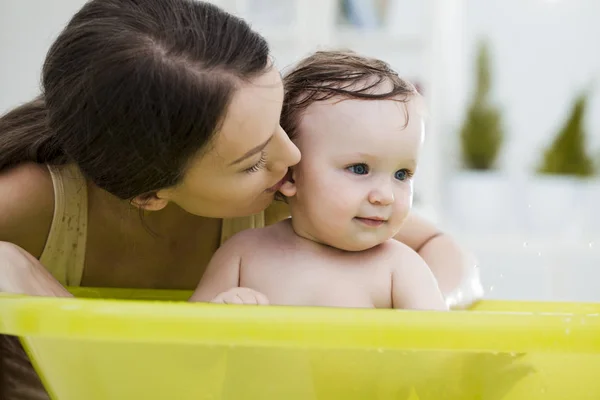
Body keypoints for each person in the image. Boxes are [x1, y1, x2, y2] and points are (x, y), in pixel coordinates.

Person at [0, 0, 480, 398]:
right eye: (252, 159)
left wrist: (416, 322)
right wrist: (38, 290)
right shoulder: (31, 201)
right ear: (149, 194)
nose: (292, 155)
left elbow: (442, 249)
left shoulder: (296, 194)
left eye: (279, 120)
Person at [190, 50, 448, 311]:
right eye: (359, 169)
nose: (386, 195)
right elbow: (185, 339)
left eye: (402, 174)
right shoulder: (242, 255)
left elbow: (438, 346)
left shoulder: (400, 268)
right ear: (289, 175)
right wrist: (220, 312)